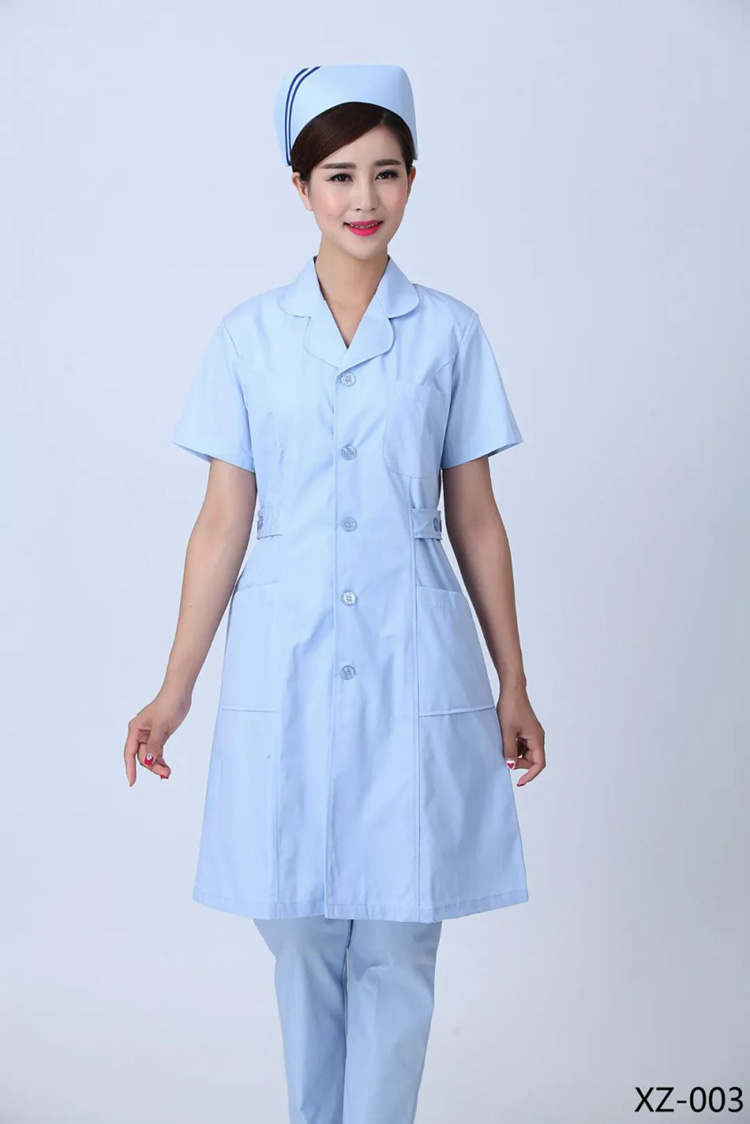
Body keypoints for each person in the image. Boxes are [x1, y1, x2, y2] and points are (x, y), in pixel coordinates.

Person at [124, 63, 546, 1124]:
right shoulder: (248, 337)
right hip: (288, 653)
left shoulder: (449, 333)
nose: (365, 199)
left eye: (387, 173)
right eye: (340, 175)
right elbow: (222, 523)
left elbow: (476, 519)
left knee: (400, 935)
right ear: (301, 186)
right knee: (302, 928)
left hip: (417, 653)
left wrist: (513, 680)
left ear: (414, 179)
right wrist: (174, 688)